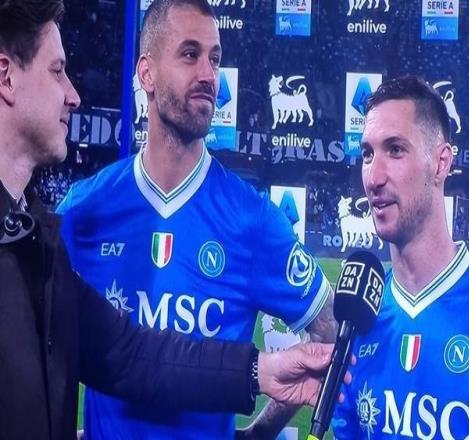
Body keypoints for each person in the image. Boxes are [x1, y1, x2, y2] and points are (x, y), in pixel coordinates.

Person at [0, 1, 349, 439]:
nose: (208, 74)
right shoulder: (81, 211)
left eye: (215, 59)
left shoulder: (253, 219)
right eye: (189, 54)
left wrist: (260, 423)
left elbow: (130, 356)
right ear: (146, 73)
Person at [332, 76, 469, 438]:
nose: (373, 177)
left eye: (395, 150)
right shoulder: (359, 317)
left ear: (441, 163)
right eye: (367, 154)